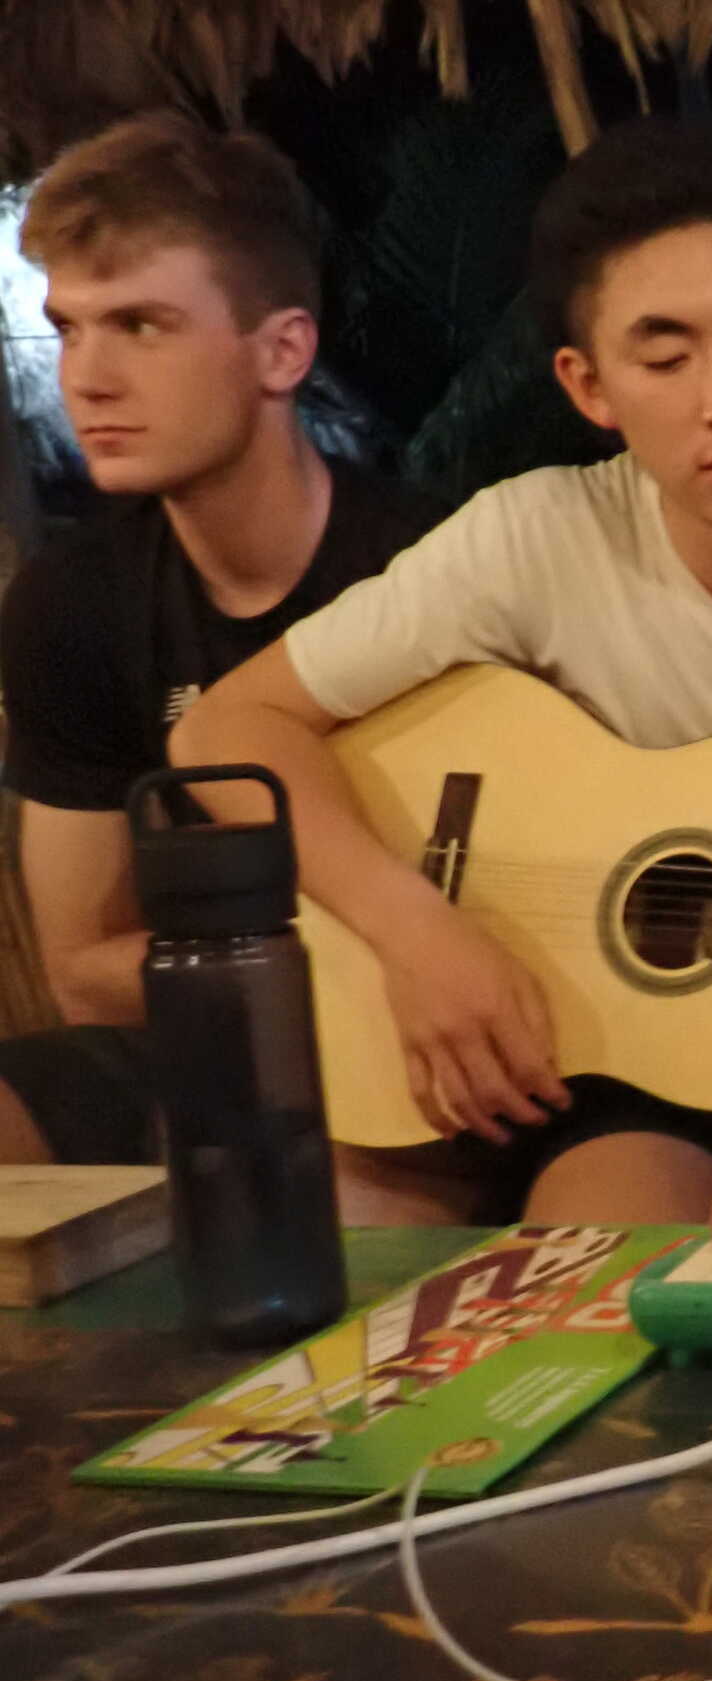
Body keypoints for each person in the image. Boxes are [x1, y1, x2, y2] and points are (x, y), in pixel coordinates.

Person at [175, 119, 712, 1227]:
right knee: (564, 1268)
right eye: (665, 359)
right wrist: (417, 932)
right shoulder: (537, 539)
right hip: (615, 1087)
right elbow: (226, 729)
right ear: (588, 386)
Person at [0, 111, 433, 1166]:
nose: (88, 378)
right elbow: (83, 971)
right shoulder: (73, 603)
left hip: (417, 1041)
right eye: (70, 329)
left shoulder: (432, 569)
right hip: (201, 1036)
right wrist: (299, 958)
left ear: (281, 350)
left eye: (141, 326)